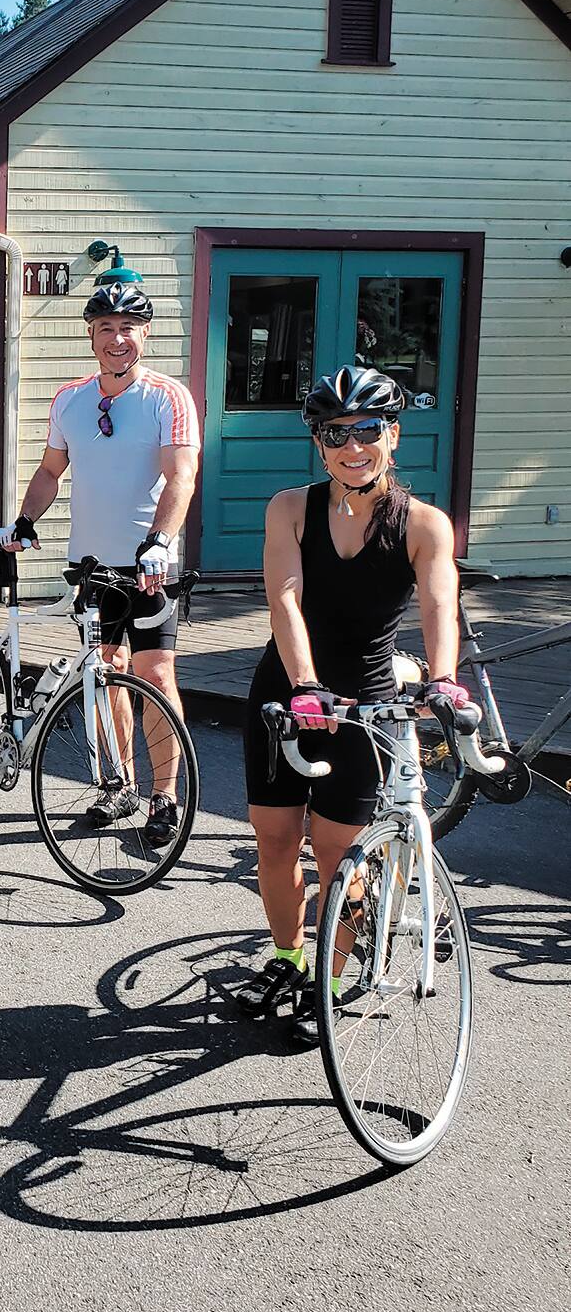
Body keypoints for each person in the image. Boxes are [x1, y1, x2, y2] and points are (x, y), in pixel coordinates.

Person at [241, 365, 467, 1043]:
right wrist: (305, 683)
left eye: (367, 430)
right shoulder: (289, 509)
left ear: (392, 435)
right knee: (276, 838)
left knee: (339, 854)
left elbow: (439, 605)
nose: (353, 446)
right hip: (288, 692)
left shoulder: (423, 524)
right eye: (335, 434)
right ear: (320, 444)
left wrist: (444, 679)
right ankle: (288, 958)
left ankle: (331, 978)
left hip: (365, 703)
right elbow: (284, 599)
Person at [0, 267, 200, 845]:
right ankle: (121, 784)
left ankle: (165, 795)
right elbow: (50, 470)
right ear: (90, 335)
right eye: (106, 327)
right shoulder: (70, 399)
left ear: (146, 333)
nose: (118, 338)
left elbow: (181, 477)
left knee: (156, 675)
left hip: (149, 567)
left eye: (129, 327)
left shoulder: (168, 397)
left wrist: (160, 542)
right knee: (106, 674)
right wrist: (25, 520)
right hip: (92, 567)